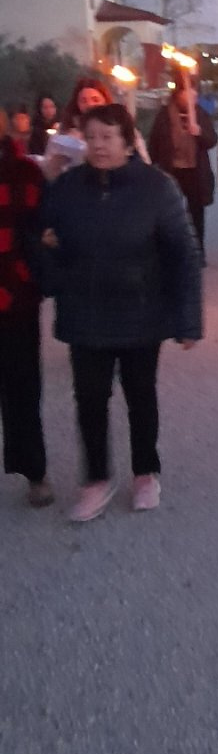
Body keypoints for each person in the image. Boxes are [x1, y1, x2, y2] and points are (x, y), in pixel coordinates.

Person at [43, 103, 202, 522]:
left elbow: (183, 253)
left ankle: (145, 471)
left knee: (140, 395)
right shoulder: (68, 187)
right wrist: (52, 263)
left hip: (140, 311)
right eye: (91, 137)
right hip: (84, 311)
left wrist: (188, 320)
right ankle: (96, 478)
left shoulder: (157, 187)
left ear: (128, 142)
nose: (98, 146)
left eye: (108, 137)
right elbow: (42, 236)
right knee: (90, 399)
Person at [0, 114, 53, 507]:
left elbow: (42, 228)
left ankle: (33, 469)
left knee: (21, 387)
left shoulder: (26, 172)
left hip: (16, 295)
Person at [148, 82, 217, 263]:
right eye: (188, 94)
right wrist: (151, 167)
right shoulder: (165, 114)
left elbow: (212, 140)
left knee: (196, 212)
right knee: (172, 213)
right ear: (179, 94)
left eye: (195, 95)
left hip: (195, 170)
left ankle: (198, 252)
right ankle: (175, 251)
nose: (193, 98)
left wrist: (200, 132)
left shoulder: (199, 113)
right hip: (172, 170)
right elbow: (154, 142)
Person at [43, 75, 149, 179]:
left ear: (105, 101)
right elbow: (49, 169)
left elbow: (144, 162)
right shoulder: (65, 131)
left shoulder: (123, 127)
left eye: (95, 99)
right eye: (83, 100)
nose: (90, 104)